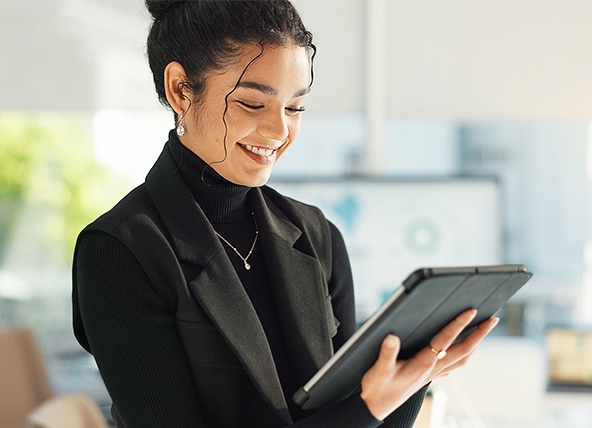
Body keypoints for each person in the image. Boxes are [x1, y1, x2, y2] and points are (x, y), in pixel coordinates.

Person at [72, 1, 499, 427]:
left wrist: (414, 375)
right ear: (180, 88)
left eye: (295, 108)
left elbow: (360, 412)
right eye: (253, 105)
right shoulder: (119, 250)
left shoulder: (317, 236)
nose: (279, 132)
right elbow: (359, 412)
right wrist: (369, 406)